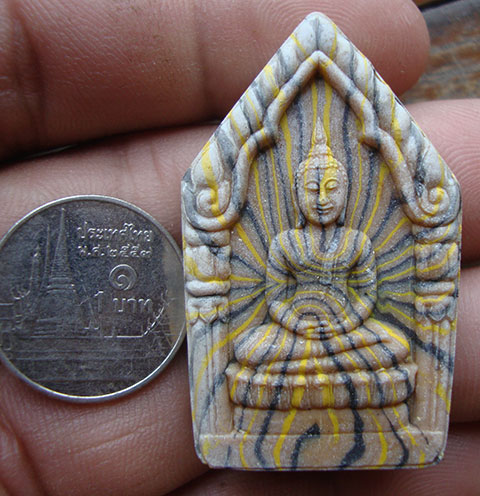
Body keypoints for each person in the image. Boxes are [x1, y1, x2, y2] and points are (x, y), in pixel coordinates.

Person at [0, 0, 478, 494]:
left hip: (346, 331)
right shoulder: (287, 242)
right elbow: (274, 297)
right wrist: (297, 323)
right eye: (312, 187)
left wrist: (342, 321)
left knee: (394, 347)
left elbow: (367, 295)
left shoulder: (356, 242)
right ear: (296, 192)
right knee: (249, 351)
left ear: (348, 192)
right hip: (292, 334)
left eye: (331, 188)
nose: (321, 197)